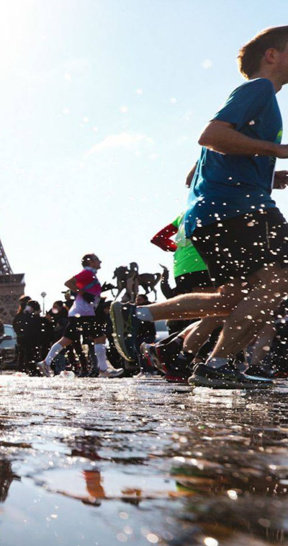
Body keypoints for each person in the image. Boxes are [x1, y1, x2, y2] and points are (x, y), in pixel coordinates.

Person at [112, 27, 288, 388]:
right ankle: (217, 364)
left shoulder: (258, 98)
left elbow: (201, 168)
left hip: (215, 211)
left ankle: (139, 315)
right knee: (278, 282)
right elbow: (211, 136)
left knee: (233, 298)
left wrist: (273, 175)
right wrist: (278, 151)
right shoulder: (258, 89)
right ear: (272, 55)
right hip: (241, 210)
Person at [38, 254, 124, 378]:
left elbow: (89, 292)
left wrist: (99, 291)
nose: (100, 261)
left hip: (81, 313)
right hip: (83, 313)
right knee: (99, 338)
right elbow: (68, 283)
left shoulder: (91, 274)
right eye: (97, 259)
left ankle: (46, 363)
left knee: (67, 340)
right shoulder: (87, 273)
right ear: (91, 262)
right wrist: (82, 293)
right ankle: (103, 369)